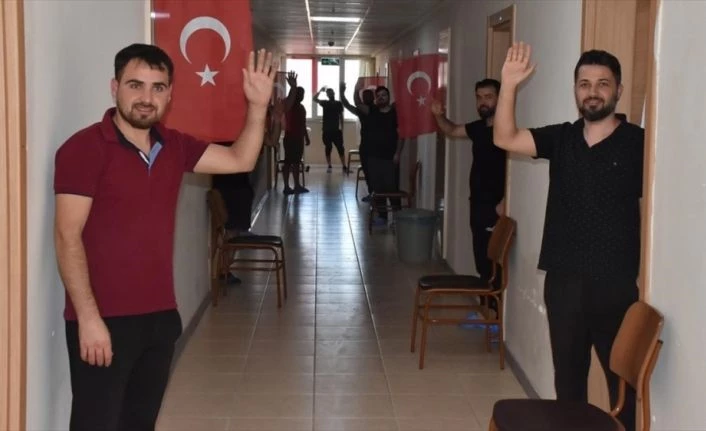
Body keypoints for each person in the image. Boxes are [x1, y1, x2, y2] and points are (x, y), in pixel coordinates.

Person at [53, 43, 276, 431]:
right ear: (115, 87)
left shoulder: (175, 146)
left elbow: (240, 159)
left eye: (157, 87)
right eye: (135, 85)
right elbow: (66, 236)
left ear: (170, 94)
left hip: (159, 317)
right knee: (95, 423)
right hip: (103, 319)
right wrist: (88, 318)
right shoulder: (84, 148)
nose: (146, 97)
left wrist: (257, 107)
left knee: (140, 422)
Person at [493, 42, 643, 431]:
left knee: (623, 390)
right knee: (568, 385)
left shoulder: (640, 144)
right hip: (563, 283)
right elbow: (505, 138)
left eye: (603, 84)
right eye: (584, 84)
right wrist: (508, 86)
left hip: (615, 285)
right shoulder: (561, 138)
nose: (593, 92)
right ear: (575, 90)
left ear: (618, 89)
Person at [431, 79, 507, 281]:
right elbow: (452, 130)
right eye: (479, 97)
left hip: (496, 207)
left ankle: (493, 301)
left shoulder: (507, 131)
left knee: (493, 264)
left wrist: (505, 202)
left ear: (500, 98)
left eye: (488, 97)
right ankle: (485, 299)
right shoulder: (478, 128)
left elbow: (516, 169)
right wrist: (438, 115)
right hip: (477, 203)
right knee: (481, 259)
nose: (483, 102)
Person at [341, 84, 375, 201]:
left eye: (368, 96)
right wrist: (342, 93)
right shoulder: (362, 111)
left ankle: (375, 193)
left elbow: (355, 103)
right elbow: (347, 105)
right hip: (365, 145)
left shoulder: (375, 109)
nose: (366, 98)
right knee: (367, 170)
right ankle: (372, 193)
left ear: (373, 97)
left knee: (373, 171)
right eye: (364, 96)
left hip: (375, 146)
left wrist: (353, 91)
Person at [282, 71, 310, 194]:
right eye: (300, 94)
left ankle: (297, 185)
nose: (302, 96)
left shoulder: (302, 108)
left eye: (303, 94)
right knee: (288, 162)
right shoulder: (288, 106)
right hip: (290, 138)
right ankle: (286, 186)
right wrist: (293, 86)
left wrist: (306, 137)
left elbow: (303, 124)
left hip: (298, 139)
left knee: (297, 162)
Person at [313, 86, 345, 173]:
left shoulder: (338, 103)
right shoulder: (325, 103)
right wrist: (320, 91)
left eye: (331, 92)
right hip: (327, 131)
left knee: (340, 148)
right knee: (328, 147)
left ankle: (344, 166)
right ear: (327, 95)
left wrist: (342, 128)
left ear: (334, 93)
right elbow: (314, 99)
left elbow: (341, 116)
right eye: (328, 93)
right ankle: (329, 165)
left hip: (336, 130)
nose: (330, 94)